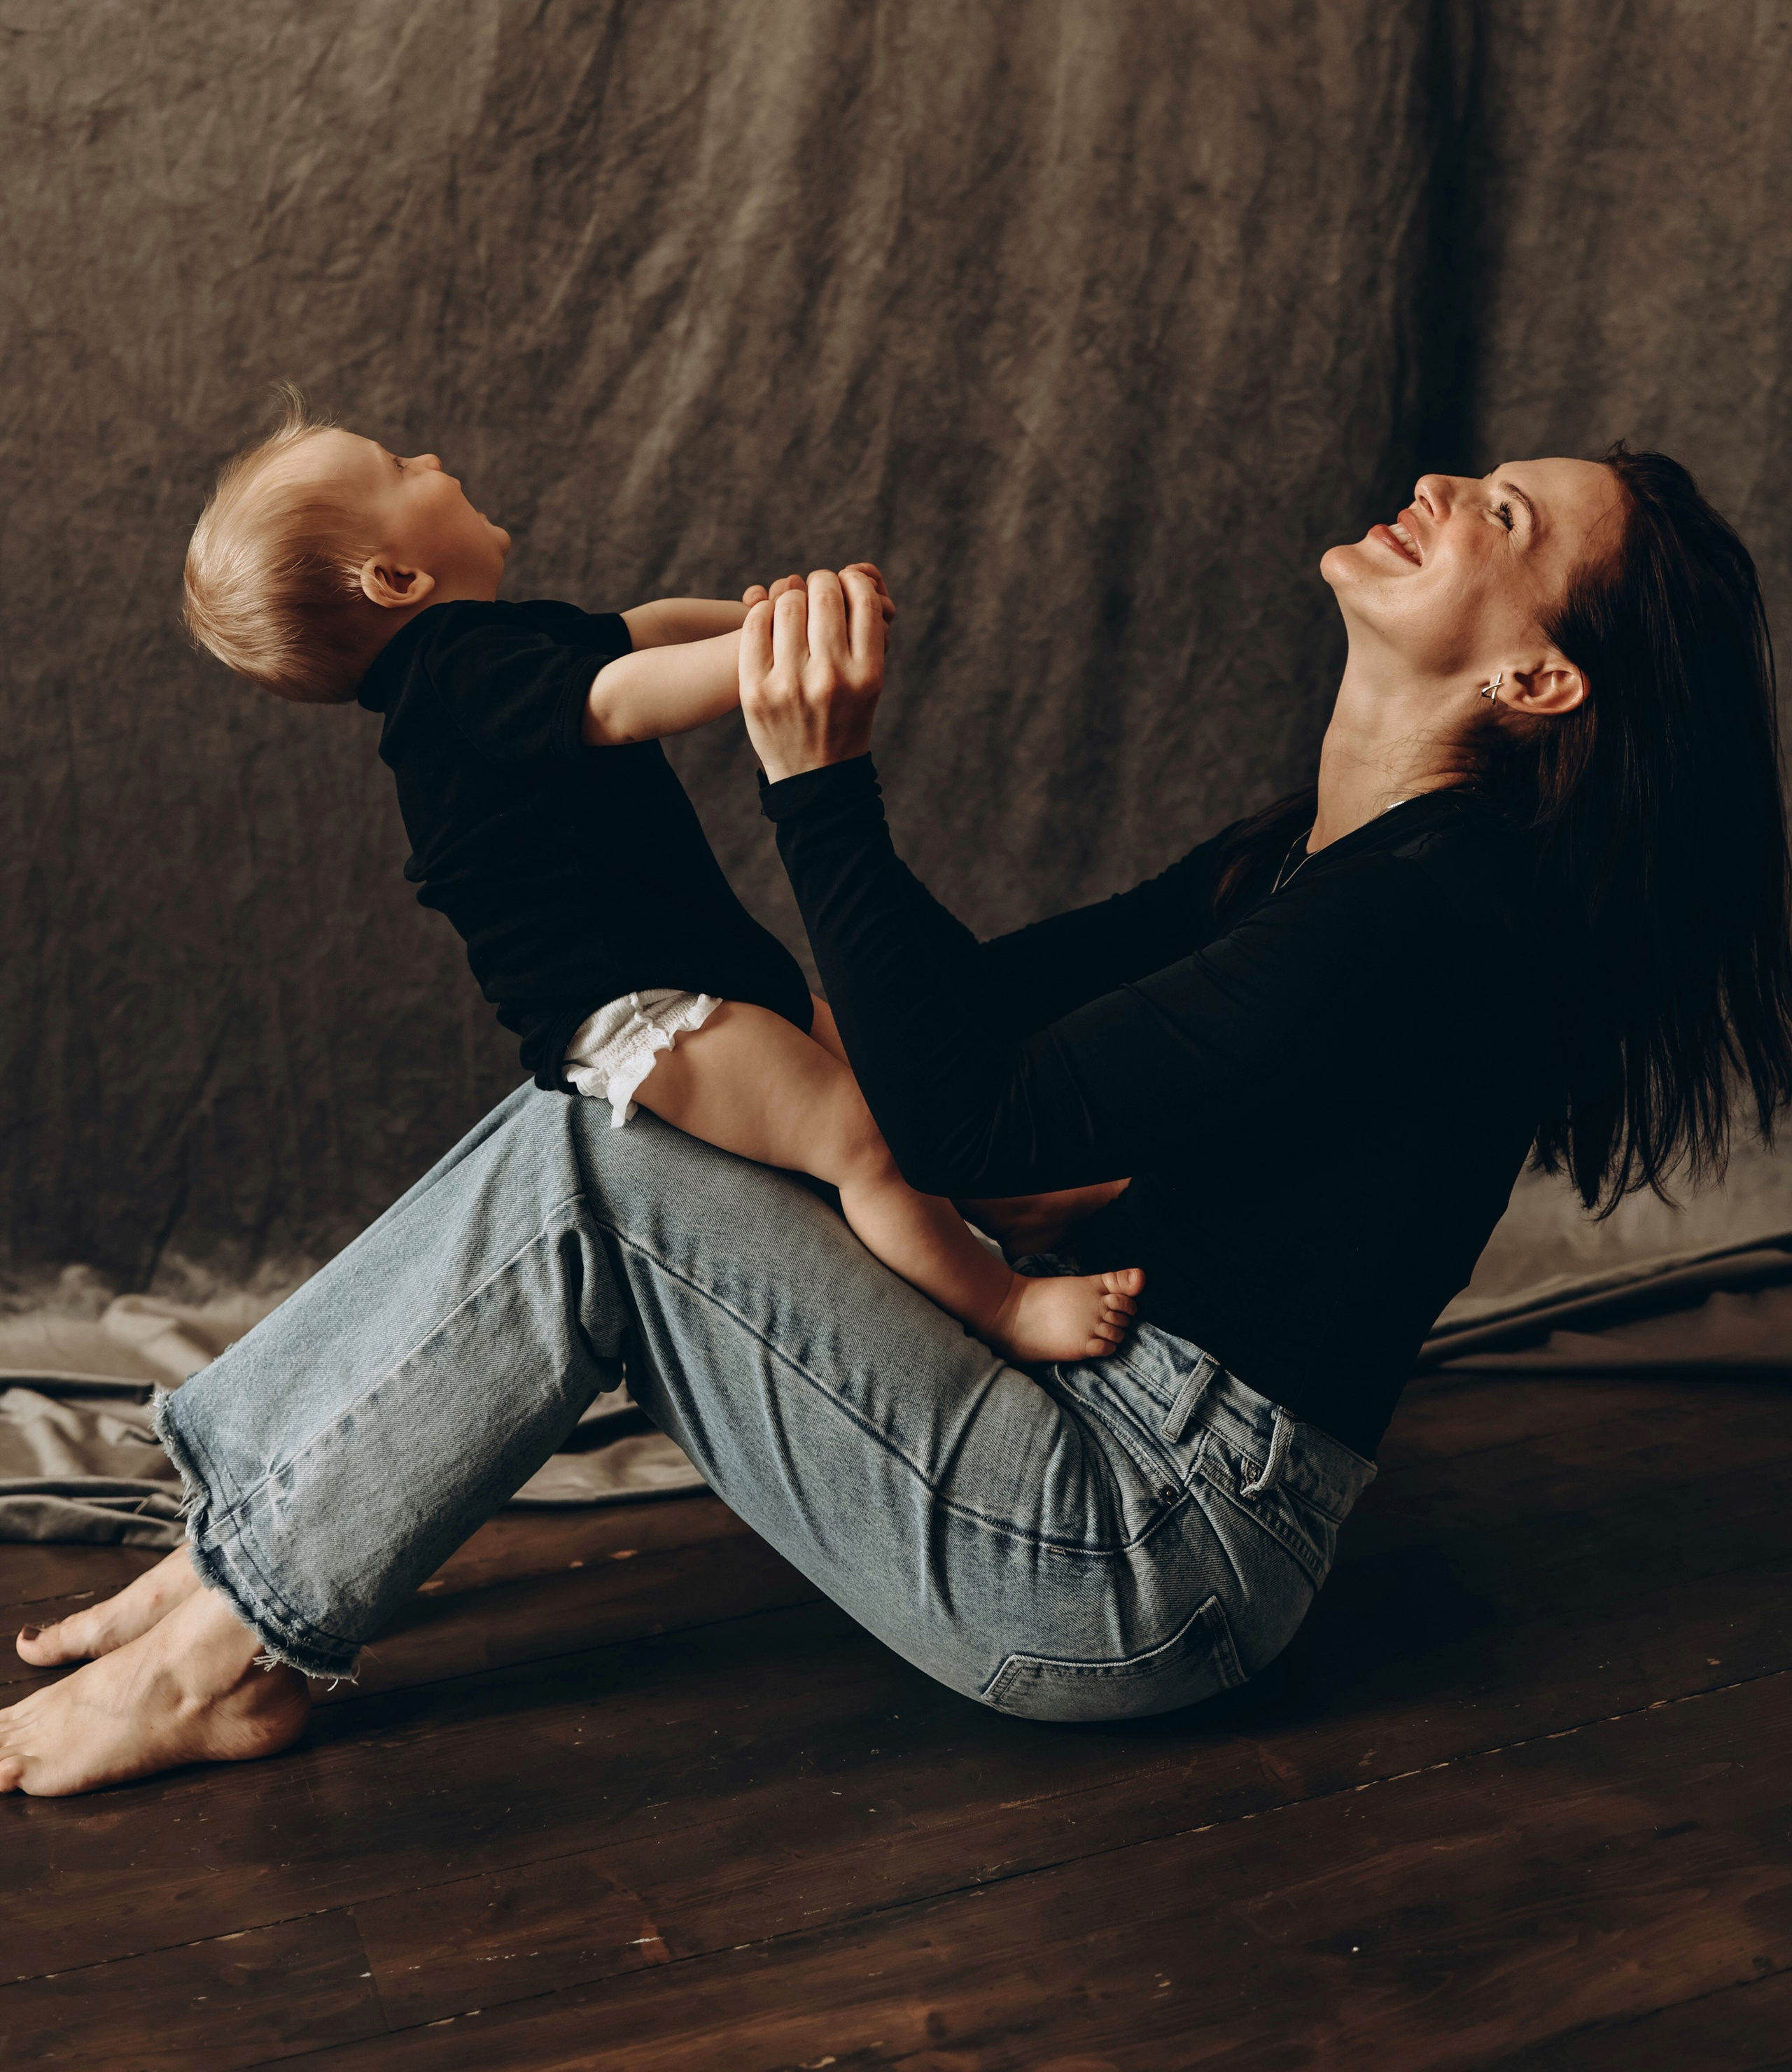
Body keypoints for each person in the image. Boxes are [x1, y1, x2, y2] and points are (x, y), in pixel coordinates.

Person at [6, 449, 1789, 1798]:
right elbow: (968, 1021)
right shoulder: (1304, 855)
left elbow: (954, 1117)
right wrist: (738, 1013)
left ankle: (236, 1641)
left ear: (1535, 684)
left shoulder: (1434, 913)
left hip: (1142, 1552)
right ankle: (241, 1550)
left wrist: (818, 782)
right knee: (608, 1086)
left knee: (599, 1150)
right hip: (1093, 1437)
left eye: (1501, 519)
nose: (1438, 487)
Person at [177, 394, 1143, 1365]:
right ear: (396, 576)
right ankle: (1005, 1307)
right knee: (862, 1141)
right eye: (398, 467)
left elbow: (644, 632)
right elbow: (621, 699)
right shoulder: (450, 677)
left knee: (890, 1076)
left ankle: (1021, 1201)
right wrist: (773, 659)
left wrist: (780, 616)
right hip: (636, 1006)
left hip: (689, 953)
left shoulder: (494, 646)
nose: (429, 456)